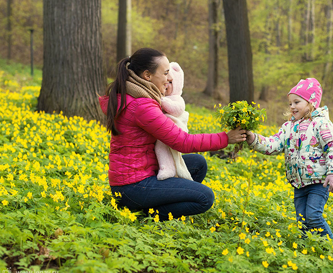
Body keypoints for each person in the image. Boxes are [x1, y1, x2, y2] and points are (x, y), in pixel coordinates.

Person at [99, 48, 246, 221]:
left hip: (140, 176)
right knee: (205, 197)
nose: (170, 78)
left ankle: (153, 206)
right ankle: (145, 215)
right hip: (133, 186)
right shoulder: (142, 106)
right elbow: (182, 142)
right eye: (166, 73)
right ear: (147, 75)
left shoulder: (137, 96)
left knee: (198, 164)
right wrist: (226, 138)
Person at [245, 78, 333, 239]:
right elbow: (273, 144)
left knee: (313, 216)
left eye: (297, 102)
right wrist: (253, 139)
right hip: (298, 183)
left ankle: (331, 249)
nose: (292, 107)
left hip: (319, 181)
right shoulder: (288, 127)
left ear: (311, 102)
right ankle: (308, 250)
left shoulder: (321, 123)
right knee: (302, 221)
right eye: (290, 103)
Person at [155, 62, 193, 181]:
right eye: (166, 81)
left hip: (177, 128)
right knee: (161, 148)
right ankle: (167, 168)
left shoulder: (177, 98)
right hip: (167, 130)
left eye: (171, 82)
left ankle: (168, 169)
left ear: (177, 84)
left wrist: (163, 102)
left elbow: (177, 110)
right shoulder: (163, 97)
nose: (167, 84)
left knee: (163, 147)